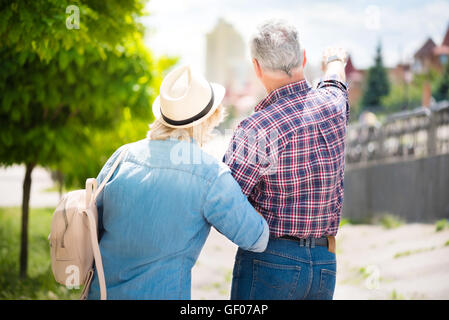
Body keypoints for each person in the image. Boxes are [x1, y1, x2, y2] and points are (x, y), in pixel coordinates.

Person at [87, 65, 269, 300]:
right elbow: (256, 238)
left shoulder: (122, 156)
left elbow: (95, 224)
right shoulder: (211, 175)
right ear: (211, 118)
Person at [224, 19, 349, 300]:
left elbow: (228, 202)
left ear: (256, 68)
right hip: (324, 263)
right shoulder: (333, 105)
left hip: (270, 260)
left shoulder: (256, 128)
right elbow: (336, 79)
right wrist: (335, 59)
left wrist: (260, 235)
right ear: (303, 58)